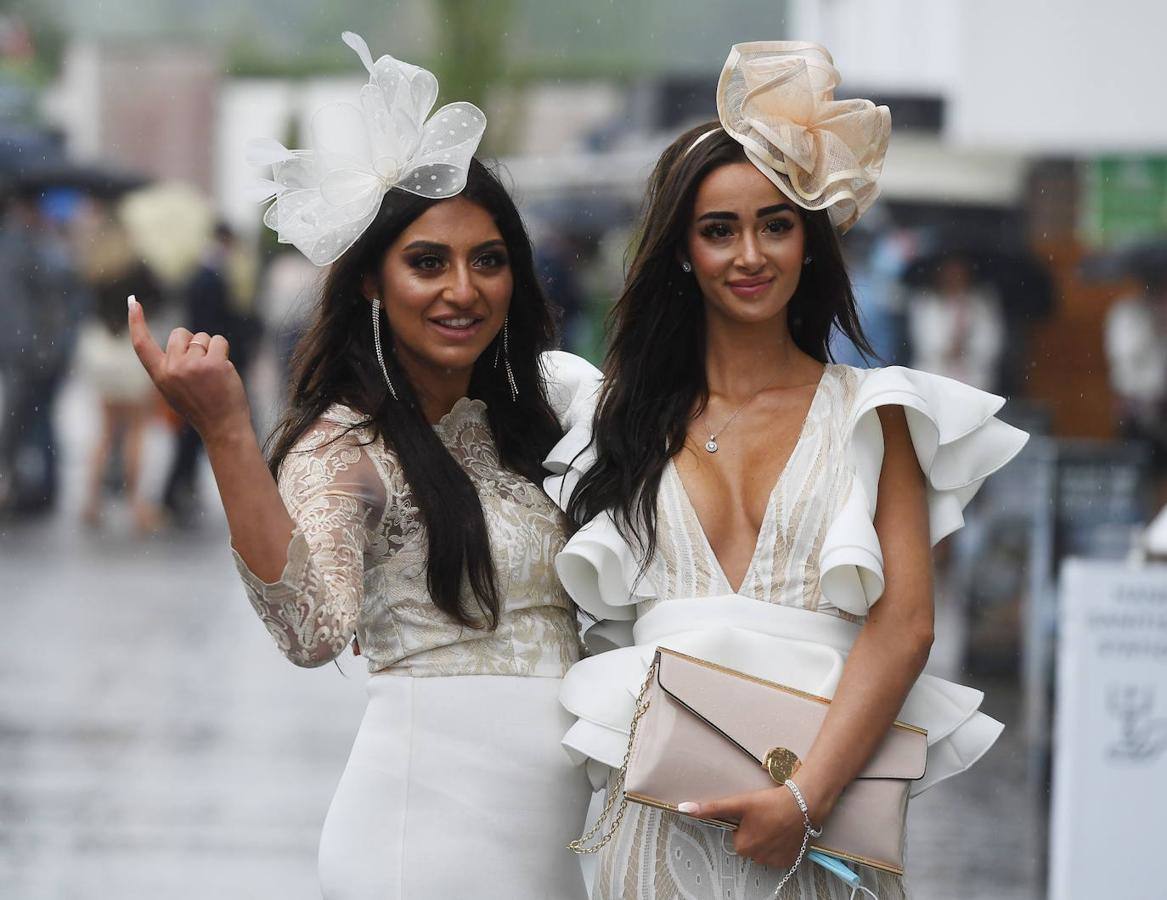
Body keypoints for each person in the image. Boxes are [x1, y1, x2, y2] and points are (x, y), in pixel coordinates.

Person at [546, 43, 1029, 898]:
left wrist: (804, 798)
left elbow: (905, 624)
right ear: (680, 252)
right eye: (717, 230)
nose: (749, 255)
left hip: (820, 818)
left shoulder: (875, 412)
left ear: (810, 242)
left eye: (775, 224)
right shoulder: (615, 418)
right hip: (653, 828)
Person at [128, 33, 593, 899]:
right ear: (373, 283)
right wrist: (228, 433)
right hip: (426, 834)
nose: (464, 288)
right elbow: (312, 630)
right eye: (427, 262)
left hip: (565, 838)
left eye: (487, 260)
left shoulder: (548, 415)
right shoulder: (347, 446)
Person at [74, 213, 162, 532]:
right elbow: (159, 300)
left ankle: (92, 501)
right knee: (137, 430)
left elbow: (82, 306)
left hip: (99, 349)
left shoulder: (94, 266)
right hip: (130, 349)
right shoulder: (139, 267)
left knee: (106, 430)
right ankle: (136, 504)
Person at [906, 253, 1005, 392]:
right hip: (935, 372)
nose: (954, 279)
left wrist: (967, 349)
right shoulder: (926, 302)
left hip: (974, 375)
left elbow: (990, 343)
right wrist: (950, 347)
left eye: (959, 273)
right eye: (950, 274)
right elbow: (926, 344)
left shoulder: (982, 303)